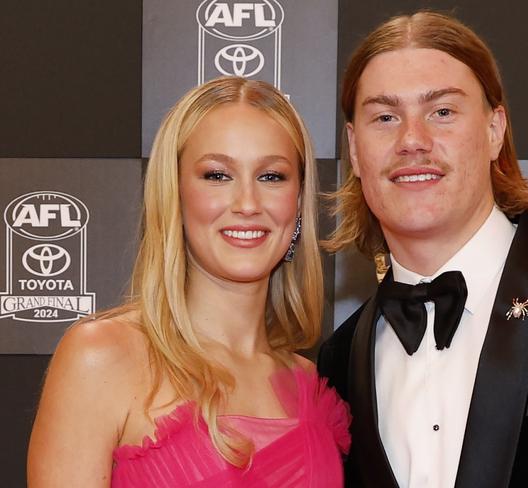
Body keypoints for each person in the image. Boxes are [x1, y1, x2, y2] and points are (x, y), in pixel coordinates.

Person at [318, 10, 528, 488]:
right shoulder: (339, 358)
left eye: (443, 112)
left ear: (495, 130)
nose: (412, 139)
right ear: (354, 147)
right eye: (385, 117)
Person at [28, 76, 351, 487]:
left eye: (272, 177)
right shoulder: (102, 359)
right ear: (175, 194)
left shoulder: (308, 383)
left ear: (299, 201)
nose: (248, 204)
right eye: (217, 176)